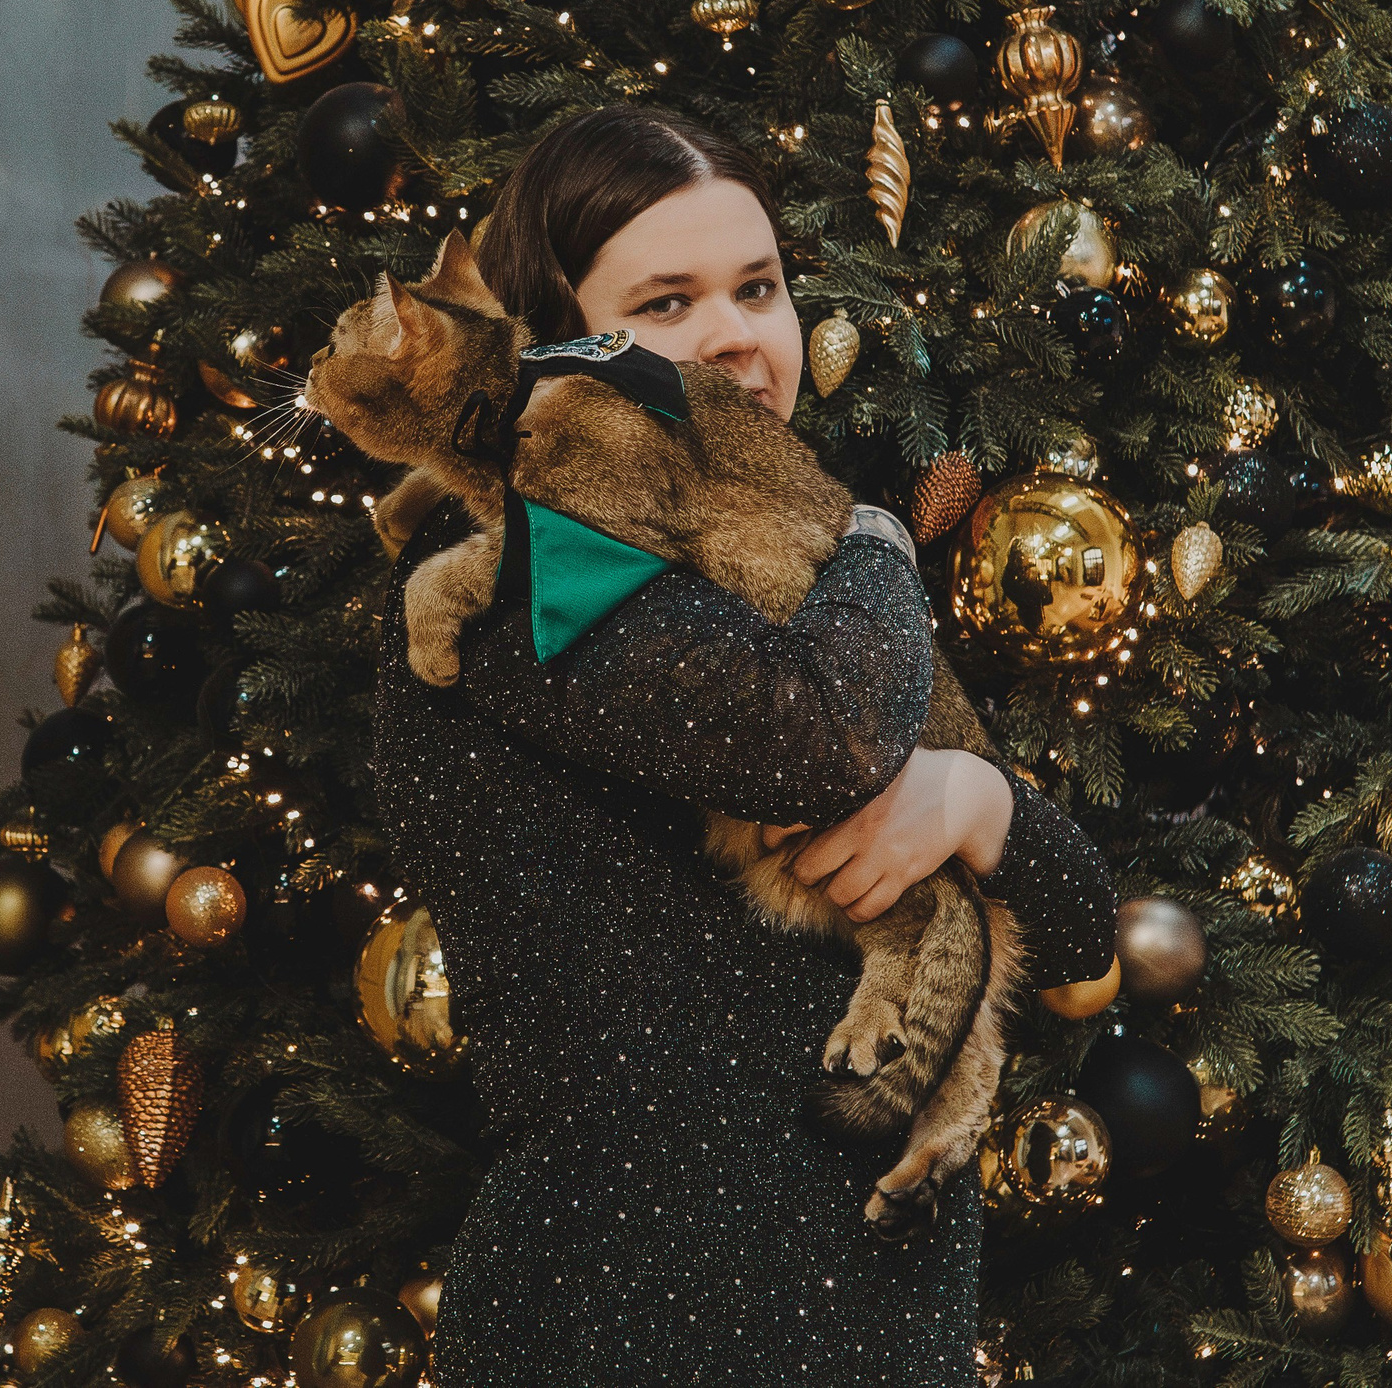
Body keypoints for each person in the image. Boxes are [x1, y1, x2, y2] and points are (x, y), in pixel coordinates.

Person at [371, 104, 1119, 1386]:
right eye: (665, 304)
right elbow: (818, 741)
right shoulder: (524, 591)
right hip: (629, 1331)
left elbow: (1081, 935)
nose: (737, 338)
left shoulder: (768, 580)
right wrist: (880, 537)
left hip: (874, 1325)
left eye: (759, 288)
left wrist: (975, 799)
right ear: (548, 349)